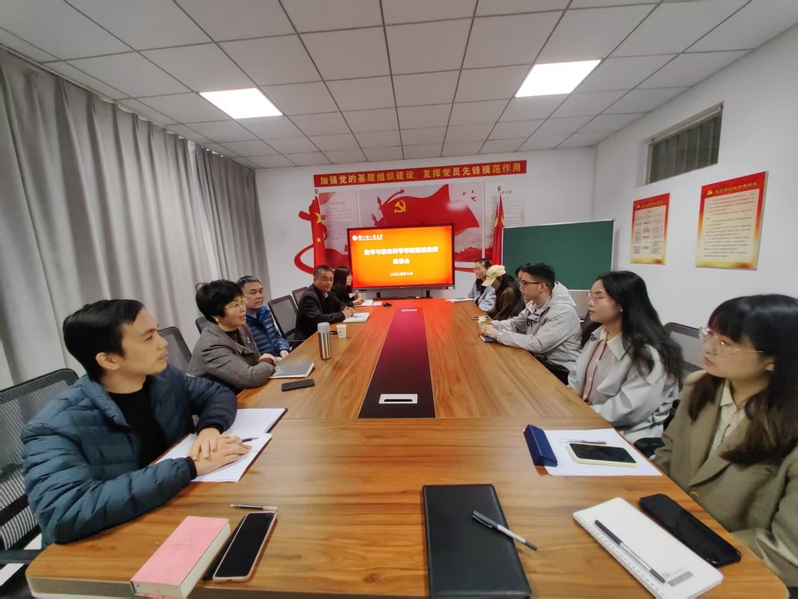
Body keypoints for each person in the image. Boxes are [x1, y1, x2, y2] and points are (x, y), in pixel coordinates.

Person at [21, 300, 249, 545]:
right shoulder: (52, 427)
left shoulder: (163, 377)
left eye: (156, 331)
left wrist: (209, 429)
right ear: (109, 360)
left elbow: (216, 393)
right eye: (148, 337)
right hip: (111, 542)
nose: (163, 343)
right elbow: (63, 513)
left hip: (175, 505)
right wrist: (188, 467)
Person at [654, 295, 798, 587]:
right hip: (667, 532)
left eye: (727, 343)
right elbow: (668, 456)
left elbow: (788, 553)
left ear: (774, 360)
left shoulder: (789, 427)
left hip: (734, 567)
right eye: (709, 334)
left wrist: (694, 548)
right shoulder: (700, 387)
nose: (708, 347)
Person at [568, 271, 683, 441]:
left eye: (599, 297)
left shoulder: (648, 354)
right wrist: (568, 404)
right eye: (590, 295)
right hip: (588, 421)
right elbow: (575, 380)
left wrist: (577, 414)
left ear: (623, 302)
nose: (590, 302)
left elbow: (626, 410)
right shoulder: (597, 335)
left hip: (625, 436)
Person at [480, 262, 580, 382]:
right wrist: (494, 325)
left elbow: (537, 344)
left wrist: (497, 335)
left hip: (560, 369)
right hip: (539, 360)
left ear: (541, 286)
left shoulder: (563, 311)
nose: (521, 287)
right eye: (520, 282)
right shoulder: (534, 303)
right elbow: (516, 324)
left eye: (525, 283)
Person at [188, 280, 277, 393]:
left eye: (242, 301)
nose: (243, 308)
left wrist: (263, 363)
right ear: (215, 315)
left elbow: (257, 361)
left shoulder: (241, 327)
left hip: (242, 391)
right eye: (235, 305)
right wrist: (268, 360)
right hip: (216, 399)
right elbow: (250, 378)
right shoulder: (211, 346)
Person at [237, 275, 291, 358]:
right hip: (264, 363)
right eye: (253, 293)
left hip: (280, 359)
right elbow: (248, 356)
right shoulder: (240, 322)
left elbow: (277, 336)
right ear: (241, 297)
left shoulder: (266, 313)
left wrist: (284, 349)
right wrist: (271, 360)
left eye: (261, 291)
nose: (259, 296)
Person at [296, 265, 355, 339]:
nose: (329, 283)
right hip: (309, 339)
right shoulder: (309, 296)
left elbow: (339, 304)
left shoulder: (327, 292)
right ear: (315, 280)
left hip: (323, 334)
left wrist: (345, 308)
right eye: (325, 280)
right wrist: (343, 314)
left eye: (331, 279)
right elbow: (319, 319)